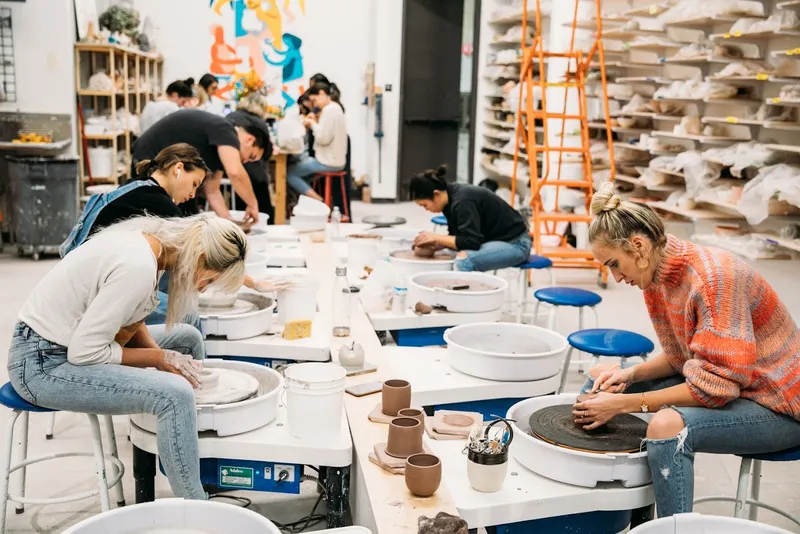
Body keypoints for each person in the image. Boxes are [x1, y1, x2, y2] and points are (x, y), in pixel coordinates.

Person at [573, 182, 800, 518]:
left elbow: (718, 388)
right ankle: (622, 518)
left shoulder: (712, 280)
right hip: (739, 386)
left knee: (666, 426)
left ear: (638, 246)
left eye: (614, 264)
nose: (616, 277)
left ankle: (669, 528)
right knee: (598, 389)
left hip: (779, 404)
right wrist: (627, 376)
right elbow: (684, 356)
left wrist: (627, 403)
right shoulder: (656, 278)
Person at [8, 214, 249, 500]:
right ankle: (196, 506)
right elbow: (85, 352)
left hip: (64, 344)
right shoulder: (139, 266)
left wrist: (161, 355)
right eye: (209, 279)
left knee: (188, 337)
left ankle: (195, 464)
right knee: (175, 395)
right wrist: (159, 359)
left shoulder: (154, 245)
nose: (204, 288)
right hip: (43, 364)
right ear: (200, 255)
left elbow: (128, 319)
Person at [63, 143, 282, 324]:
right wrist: (252, 283)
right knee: (189, 319)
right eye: (194, 184)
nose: (192, 194)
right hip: (90, 294)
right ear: (178, 168)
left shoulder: (140, 187)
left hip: (81, 278)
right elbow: (207, 251)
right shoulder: (157, 203)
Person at [131, 108, 269, 223]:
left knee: (188, 219)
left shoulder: (220, 149)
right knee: (166, 222)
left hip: (166, 168)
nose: (245, 161)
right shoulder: (226, 130)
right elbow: (235, 173)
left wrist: (229, 223)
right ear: (250, 140)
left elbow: (213, 191)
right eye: (251, 156)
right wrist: (253, 205)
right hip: (149, 161)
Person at [410, 166, 532, 272]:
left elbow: (471, 242)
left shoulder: (463, 202)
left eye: (425, 205)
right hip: (494, 239)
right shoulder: (448, 197)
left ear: (436, 194)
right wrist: (436, 244)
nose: (426, 209)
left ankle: (467, 298)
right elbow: (459, 236)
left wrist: (436, 237)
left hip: (516, 244)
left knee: (464, 260)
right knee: (447, 254)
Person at [286, 82, 347, 201]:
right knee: (303, 170)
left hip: (328, 162)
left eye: (314, 101)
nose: (314, 105)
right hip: (336, 161)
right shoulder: (336, 108)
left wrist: (312, 124)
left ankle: (319, 200)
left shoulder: (329, 111)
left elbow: (323, 139)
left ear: (322, 94)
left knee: (290, 173)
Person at [229, 94, 276, 223]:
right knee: (260, 183)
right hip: (253, 175)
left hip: (228, 169)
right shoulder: (259, 124)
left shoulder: (231, 116)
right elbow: (266, 152)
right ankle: (266, 223)